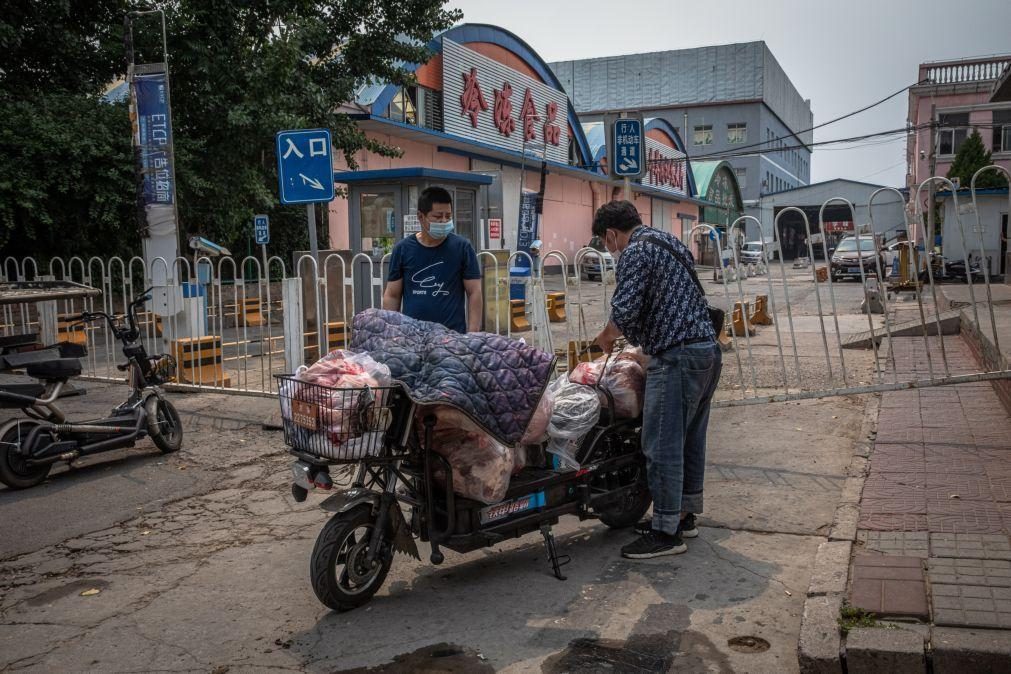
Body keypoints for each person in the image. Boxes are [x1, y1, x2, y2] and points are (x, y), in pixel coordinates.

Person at [591, 200, 722, 560]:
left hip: (677, 356)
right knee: (689, 439)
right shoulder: (669, 241)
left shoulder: (634, 252)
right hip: (707, 351)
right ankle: (683, 515)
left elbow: (626, 309)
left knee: (661, 444)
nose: (610, 249)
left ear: (612, 234)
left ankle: (665, 533)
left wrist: (605, 337)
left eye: (606, 242)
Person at [382, 187, 483, 333]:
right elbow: (392, 294)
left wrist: (473, 333)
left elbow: (474, 292)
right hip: (412, 337)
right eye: (437, 216)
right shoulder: (403, 249)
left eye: (448, 216)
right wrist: (391, 332)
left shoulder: (462, 248)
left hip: (451, 338)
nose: (444, 221)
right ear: (420, 216)